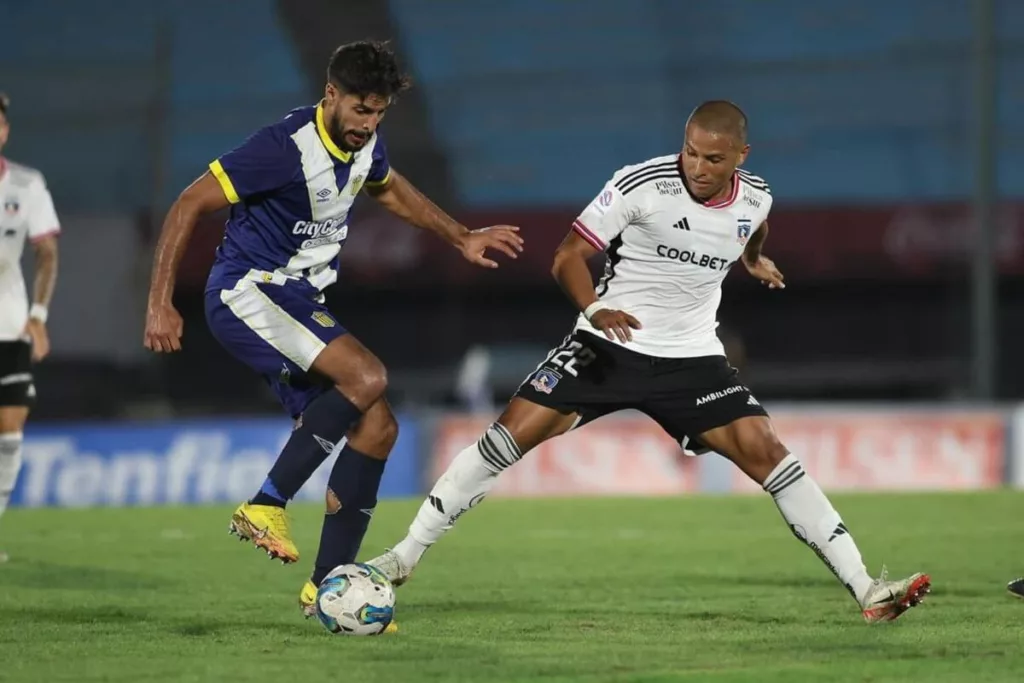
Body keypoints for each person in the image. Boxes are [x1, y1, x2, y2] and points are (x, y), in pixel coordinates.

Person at [367, 101, 930, 623]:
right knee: (504, 440)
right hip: (606, 344)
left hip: (691, 357)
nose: (698, 166)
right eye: (691, 151)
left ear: (741, 157)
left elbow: (753, 228)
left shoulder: (756, 196)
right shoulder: (642, 184)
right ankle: (402, 557)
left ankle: (867, 590)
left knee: (771, 453)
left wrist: (755, 261)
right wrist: (594, 307)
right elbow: (567, 256)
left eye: (713, 158)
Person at [142, 41, 523, 620]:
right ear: (331, 95)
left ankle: (325, 591)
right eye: (360, 110)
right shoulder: (282, 148)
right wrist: (160, 303)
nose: (367, 125)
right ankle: (266, 503)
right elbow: (186, 204)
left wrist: (459, 235)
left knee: (378, 428)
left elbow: (388, 185)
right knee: (367, 373)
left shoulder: (365, 145)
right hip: (248, 290)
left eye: (379, 113)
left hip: (296, 298)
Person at [0, 93, 61, 564]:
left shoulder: (26, 184)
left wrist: (38, 316)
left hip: (10, 322)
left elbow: (46, 253)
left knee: (10, 428)